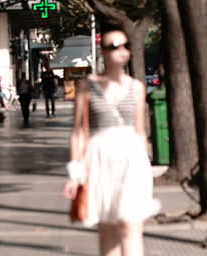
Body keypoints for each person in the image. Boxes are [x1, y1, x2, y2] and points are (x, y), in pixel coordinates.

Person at [63, 30, 160, 256]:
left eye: (125, 45)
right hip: (99, 161)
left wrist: (145, 167)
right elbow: (78, 132)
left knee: (131, 225)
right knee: (107, 229)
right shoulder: (87, 86)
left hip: (131, 161)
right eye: (114, 45)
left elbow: (139, 131)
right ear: (103, 51)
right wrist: (75, 172)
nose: (121, 50)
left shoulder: (136, 87)